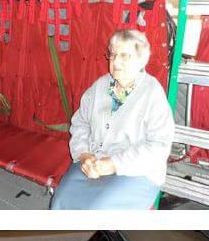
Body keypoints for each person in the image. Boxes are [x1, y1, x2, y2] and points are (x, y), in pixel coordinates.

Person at [50, 29, 174, 210]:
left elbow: (159, 146)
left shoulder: (152, 93)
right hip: (95, 161)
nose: (115, 61)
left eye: (125, 56)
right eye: (113, 54)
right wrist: (84, 154)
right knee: (60, 200)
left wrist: (114, 164)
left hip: (137, 171)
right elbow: (80, 123)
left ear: (141, 60)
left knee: (97, 209)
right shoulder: (100, 86)